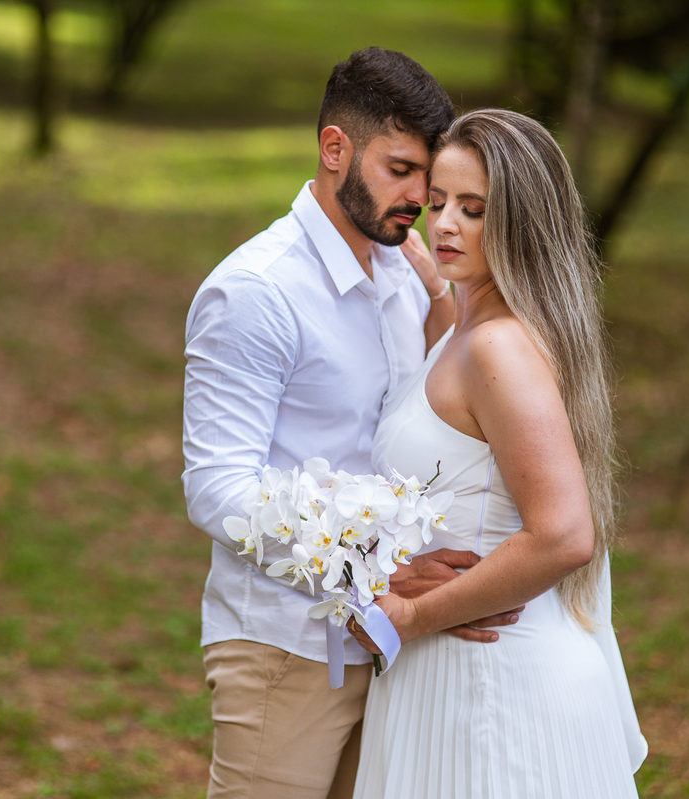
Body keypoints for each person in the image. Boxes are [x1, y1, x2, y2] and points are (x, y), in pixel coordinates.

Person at [182, 50, 520, 799]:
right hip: (286, 650)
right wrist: (372, 564)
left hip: (399, 648)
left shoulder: (406, 271)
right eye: (400, 170)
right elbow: (216, 489)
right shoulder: (253, 293)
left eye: (426, 178)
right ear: (335, 149)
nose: (418, 197)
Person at [349, 108, 648, 798]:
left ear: (520, 222)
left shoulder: (498, 349)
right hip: (449, 676)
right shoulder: (469, 326)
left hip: (493, 684)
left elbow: (566, 533)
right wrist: (435, 288)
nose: (444, 224)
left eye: (473, 209)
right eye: (438, 203)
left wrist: (415, 615)